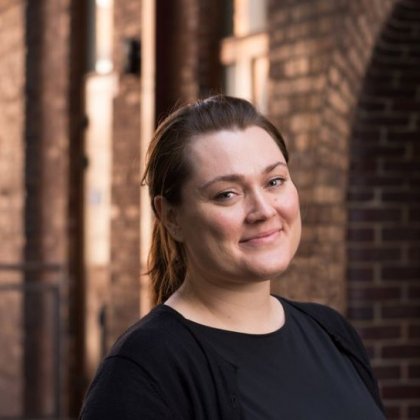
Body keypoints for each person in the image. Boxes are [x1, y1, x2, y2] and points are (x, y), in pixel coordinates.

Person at [80, 95, 385, 419]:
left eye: (274, 181)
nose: (264, 210)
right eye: (227, 194)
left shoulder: (332, 333)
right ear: (171, 217)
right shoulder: (143, 371)